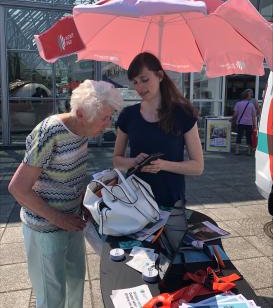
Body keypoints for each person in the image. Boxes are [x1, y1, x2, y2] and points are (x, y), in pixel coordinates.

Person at [8, 80, 122, 308]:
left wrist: (86, 202)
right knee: (52, 295)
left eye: (110, 117)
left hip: (72, 221)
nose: (108, 124)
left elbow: (71, 177)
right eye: (104, 118)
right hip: (45, 228)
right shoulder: (51, 133)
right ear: (80, 113)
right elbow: (18, 188)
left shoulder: (82, 131)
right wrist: (60, 218)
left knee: (76, 281)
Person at [113, 52, 204, 208]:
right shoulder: (128, 115)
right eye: (134, 82)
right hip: (135, 201)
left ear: (160, 75)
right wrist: (133, 161)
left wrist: (163, 165)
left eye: (144, 79)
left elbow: (197, 167)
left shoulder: (183, 114)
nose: (139, 87)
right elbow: (116, 161)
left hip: (171, 201)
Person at [232, 89, 257, 156]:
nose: (250, 96)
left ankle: (237, 151)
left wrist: (231, 119)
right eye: (249, 95)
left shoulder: (238, 104)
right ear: (247, 96)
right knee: (249, 137)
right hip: (249, 123)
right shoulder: (251, 105)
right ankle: (249, 152)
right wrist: (255, 125)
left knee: (239, 136)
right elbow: (253, 116)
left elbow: (235, 114)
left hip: (240, 123)